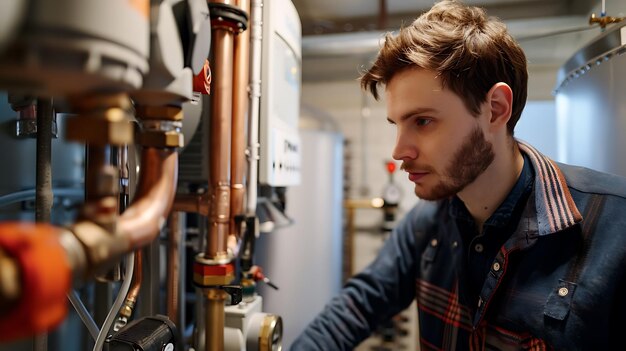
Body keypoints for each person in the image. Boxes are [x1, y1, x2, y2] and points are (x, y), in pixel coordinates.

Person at [291, 0, 626, 350]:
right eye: (397, 124)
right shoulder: (428, 224)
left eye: (422, 121)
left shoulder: (614, 227)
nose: (399, 151)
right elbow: (356, 307)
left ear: (495, 110)